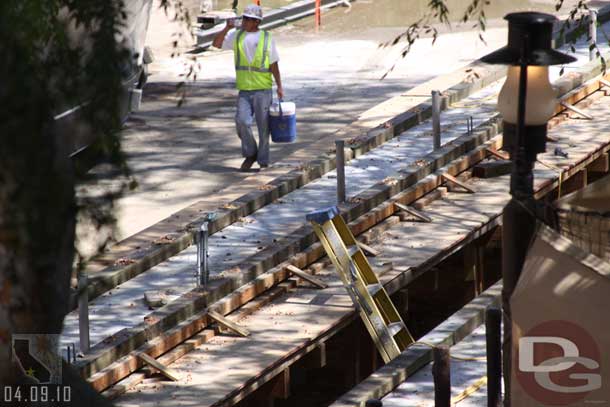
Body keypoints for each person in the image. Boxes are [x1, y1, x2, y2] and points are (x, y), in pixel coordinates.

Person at [212, 4, 284, 171]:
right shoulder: (236, 36)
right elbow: (216, 44)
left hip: (263, 89)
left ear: (256, 22)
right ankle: (251, 153)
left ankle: (263, 161)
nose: (243, 21)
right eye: (243, 18)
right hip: (244, 90)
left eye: (247, 19)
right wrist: (226, 28)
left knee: (263, 127)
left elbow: (274, 64)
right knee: (242, 122)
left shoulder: (267, 37)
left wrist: (279, 86)